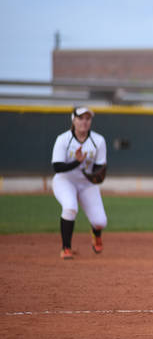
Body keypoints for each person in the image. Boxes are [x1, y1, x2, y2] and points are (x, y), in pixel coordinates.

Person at [51, 107, 108, 260]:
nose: (84, 122)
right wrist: (77, 162)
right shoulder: (63, 139)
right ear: (73, 120)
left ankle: (96, 235)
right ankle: (66, 248)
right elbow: (57, 167)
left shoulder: (98, 140)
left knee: (100, 221)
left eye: (87, 119)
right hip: (65, 180)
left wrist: (98, 174)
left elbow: (99, 167)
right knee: (70, 207)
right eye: (80, 118)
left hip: (86, 183)